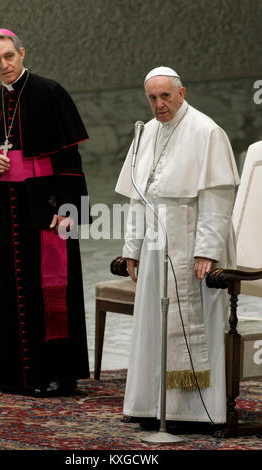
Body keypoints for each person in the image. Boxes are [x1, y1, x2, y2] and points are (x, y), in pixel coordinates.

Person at [115, 66, 240, 430]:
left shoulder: (207, 132)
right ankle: (151, 405)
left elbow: (218, 198)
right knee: (154, 324)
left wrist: (207, 250)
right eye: (152, 98)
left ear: (181, 93)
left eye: (165, 96)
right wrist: (131, 249)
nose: (159, 105)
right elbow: (139, 198)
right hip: (157, 246)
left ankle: (196, 411)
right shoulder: (147, 132)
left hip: (192, 242)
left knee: (193, 321)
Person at [0, 29, 91, 396]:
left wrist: (72, 209)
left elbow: (70, 157)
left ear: (21, 53)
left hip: (49, 207)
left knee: (52, 288)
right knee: (13, 285)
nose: (4, 65)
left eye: (9, 56)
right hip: (9, 207)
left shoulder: (49, 92)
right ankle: (15, 374)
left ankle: (59, 373)